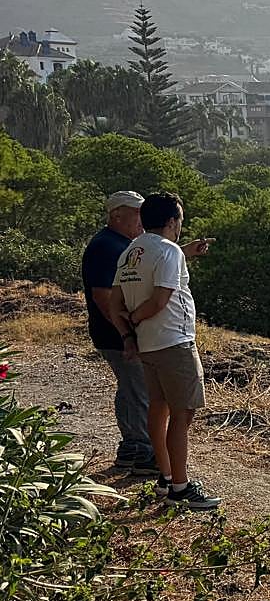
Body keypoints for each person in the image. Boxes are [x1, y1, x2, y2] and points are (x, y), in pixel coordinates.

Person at [114, 193, 219, 510]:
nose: (180, 228)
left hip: (147, 343)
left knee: (158, 406)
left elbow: (116, 300)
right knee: (183, 413)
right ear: (172, 222)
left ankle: (165, 476)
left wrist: (128, 334)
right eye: (180, 222)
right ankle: (180, 487)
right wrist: (136, 318)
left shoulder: (132, 251)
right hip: (174, 342)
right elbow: (160, 300)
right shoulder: (169, 251)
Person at [82, 191, 155, 473]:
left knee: (130, 388)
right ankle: (141, 453)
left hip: (115, 333)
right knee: (139, 390)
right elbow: (102, 295)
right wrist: (126, 334)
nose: (142, 220)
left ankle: (131, 450)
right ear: (117, 216)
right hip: (116, 335)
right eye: (137, 214)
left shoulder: (120, 244)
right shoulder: (107, 247)